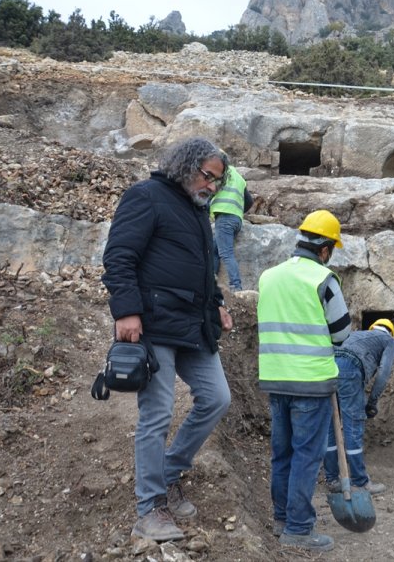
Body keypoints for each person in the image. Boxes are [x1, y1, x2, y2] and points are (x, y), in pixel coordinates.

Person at [102, 137, 233, 541]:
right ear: (185, 165)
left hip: (194, 326)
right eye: (207, 176)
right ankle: (149, 509)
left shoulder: (197, 211)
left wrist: (219, 304)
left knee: (217, 399)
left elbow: (203, 270)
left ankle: (170, 471)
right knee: (156, 415)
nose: (211, 186)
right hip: (155, 325)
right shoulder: (147, 196)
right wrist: (126, 310)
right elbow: (119, 256)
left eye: (217, 182)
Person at [257, 209, 351, 552]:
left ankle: (282, 518)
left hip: (274, 378)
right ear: (325, 249)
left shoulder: (269, 276)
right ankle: (298, 528)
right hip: (311, 383)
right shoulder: (323, 279)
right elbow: (341, 334)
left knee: (281, 454)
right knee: (306, 456)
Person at [323, 319, 394, 495]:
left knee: (330, 426)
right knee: (353, 425)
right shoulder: (390, 341)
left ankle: (333, 479)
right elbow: (383, 373)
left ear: (373, 328)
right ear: (391, 332)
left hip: (329, 366)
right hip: (351, 368)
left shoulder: (356, 335)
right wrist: (372, 402)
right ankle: (360, 481)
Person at [210, 160, 254, 291]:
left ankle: (236, 286)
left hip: (224, 217)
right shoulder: (239, 177)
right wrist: (238, 211)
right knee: (214, 248)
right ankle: (211, 281)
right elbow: (249, 201)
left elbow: (209, 192)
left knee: (226, 253)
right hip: (236, 219)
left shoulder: (220, 173)